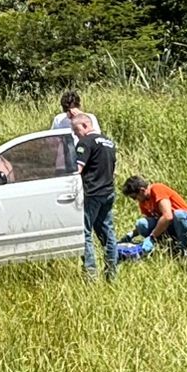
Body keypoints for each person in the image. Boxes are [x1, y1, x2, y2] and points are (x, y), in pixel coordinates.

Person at [70, 114, 118, 281]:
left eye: (76, 131)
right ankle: (111, 273)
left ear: (84, 125)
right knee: (107, 232)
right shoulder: (109, 142)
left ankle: (90, 275)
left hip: (92, 193)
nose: (76, 135)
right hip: (108, 192)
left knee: (84, 233)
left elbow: (77, 169)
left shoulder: (85, 143)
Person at [120, 176, 187, 258]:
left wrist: (152, 237)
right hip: (172, 228)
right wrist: (131, 235)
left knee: (178, 215)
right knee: (141, 224)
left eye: (134, 197)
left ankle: (184, 250)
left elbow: (168, 216)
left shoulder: (157, 189)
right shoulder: (144, 202)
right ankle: (168, 247)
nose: (135, 200)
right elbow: (152, 224)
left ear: (142, 190)